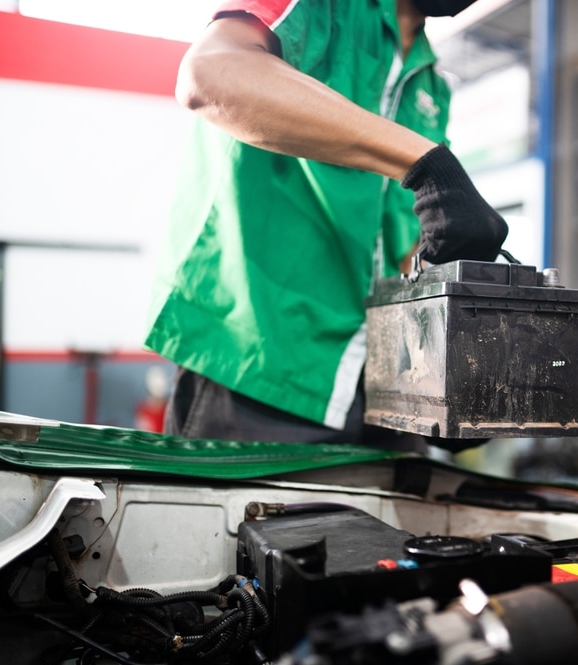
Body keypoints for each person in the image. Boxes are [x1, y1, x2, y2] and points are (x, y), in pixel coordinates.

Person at [144, 0, 508, 452]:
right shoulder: (324, 8)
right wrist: (425, 164)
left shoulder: (432, 81)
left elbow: (399, 245)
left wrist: (447, 356)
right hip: (260, 366)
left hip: (381, 388)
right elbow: (211, 72)